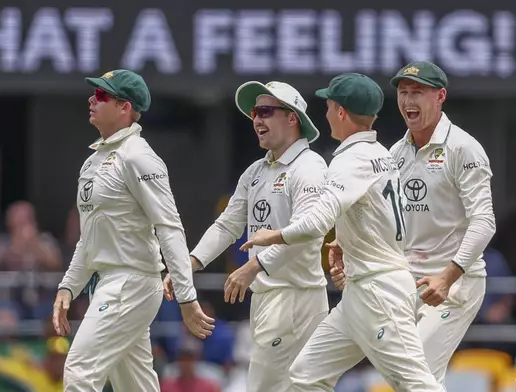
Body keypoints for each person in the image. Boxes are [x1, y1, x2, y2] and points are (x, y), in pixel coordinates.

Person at [228, 73, 444, 391]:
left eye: (329, 106)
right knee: (305, 375)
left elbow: (316, 221)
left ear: (340, 111)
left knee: (417, 385)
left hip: (379, 291)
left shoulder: (350, 160)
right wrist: (343, 241)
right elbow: (378, 216)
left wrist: (272, 236)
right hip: (361, 290)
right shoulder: (383, 155)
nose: (326, 113)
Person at [328, 61, 496, 383]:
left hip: (456, 285)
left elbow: (484, 222)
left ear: (440, 96)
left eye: (417, 92)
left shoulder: (464, 149)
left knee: (413, 374)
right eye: (403, 93)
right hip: (409, 284)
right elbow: (385, 217)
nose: (407, 101)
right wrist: (347, 243)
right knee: (419, 379)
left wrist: (447, 277)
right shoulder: (395, 153)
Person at [53, 69, 214, 392]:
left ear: (125, 107)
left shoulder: (139, 157)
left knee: (80, 370)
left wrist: (186, 296)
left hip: (131, 283)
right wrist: (68, 287)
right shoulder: (93, 162)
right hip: (111, 283)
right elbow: (90, 237)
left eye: (101, 95)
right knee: (136, 386)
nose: (91, 99)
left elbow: (169, 228)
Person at [164, 80, 328, 392]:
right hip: (268, 298)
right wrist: (189, 263)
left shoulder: (309, 167)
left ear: (292, 118)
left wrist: (254, 266)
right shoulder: (255, 172)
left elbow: (306, 231)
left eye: (266, 111)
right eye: (254, 113)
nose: (257, 120)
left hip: (296, 297)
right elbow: (227, 225)